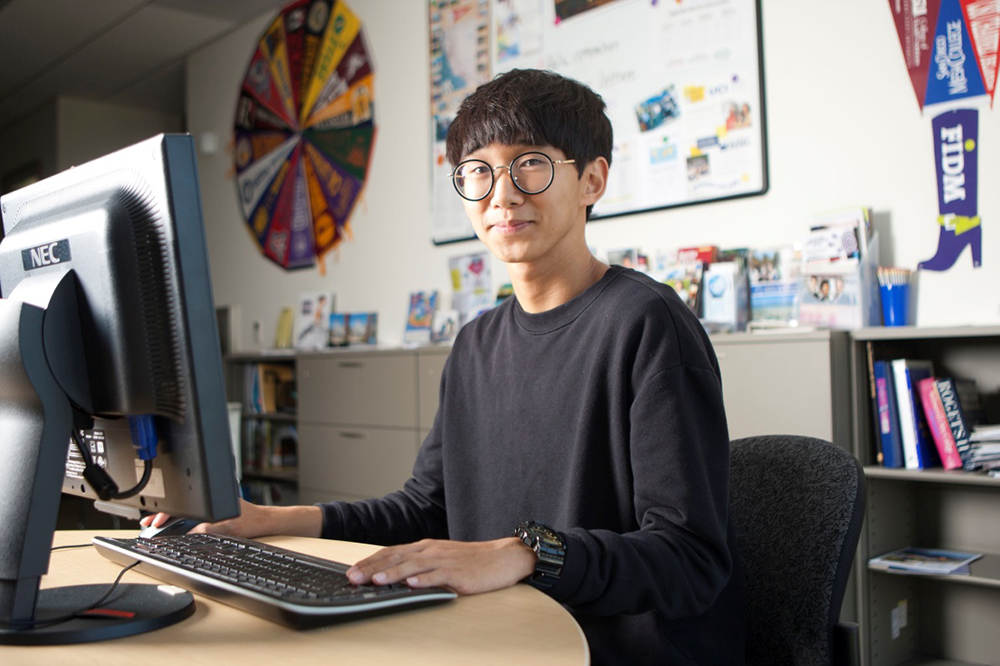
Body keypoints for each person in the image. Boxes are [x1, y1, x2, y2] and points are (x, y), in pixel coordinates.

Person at [144, 69, 747, 664]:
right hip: (495, 636)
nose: (501, 194)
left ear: (593, 179)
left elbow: (688, 557)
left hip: (605, 650)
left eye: (530, 163)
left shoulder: (646, 323)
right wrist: (270, 519)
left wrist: (525, 552)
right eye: (478, 171)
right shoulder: (476, 344)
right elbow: (424, 510)